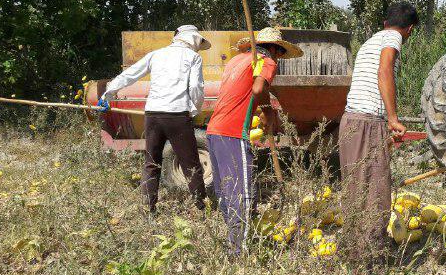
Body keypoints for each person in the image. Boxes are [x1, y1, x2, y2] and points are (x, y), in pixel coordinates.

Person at [206, 27, 302, 256]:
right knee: (242, 193)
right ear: (275, 50)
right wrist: (268, 110)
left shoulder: (237, 60)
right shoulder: (267, 61)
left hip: (214, 130)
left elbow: (248, 90)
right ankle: (239, 252)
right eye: (279, 54)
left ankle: (232, 242)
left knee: (225, 191)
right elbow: (258, 87)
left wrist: (264, 110)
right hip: (233, 132)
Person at [339, 2, 418, 267]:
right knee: (375, 193)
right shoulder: (393, 37)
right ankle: (369, 262)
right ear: (409, 30)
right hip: (366, 124)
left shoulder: (371, 40)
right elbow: (384, 70)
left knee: (355, 190)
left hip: (350, 120)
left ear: (385, 22)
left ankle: (352, 254)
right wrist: (392, 119)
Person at [100, 25, 211, 214]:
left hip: (152, 115)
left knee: (151, 162)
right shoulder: (193, 58)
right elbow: (196, 88)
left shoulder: (156, 55)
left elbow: (131, 74)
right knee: (191, 164)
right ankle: (202, 208)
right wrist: (194, 109)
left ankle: (148, 209)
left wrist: (108, 93)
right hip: (177, 115)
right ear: (193, 39)